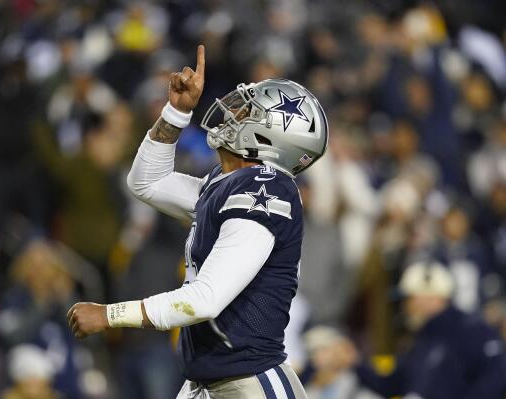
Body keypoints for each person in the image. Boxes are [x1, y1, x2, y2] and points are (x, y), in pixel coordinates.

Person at [67, 45, 329, 398]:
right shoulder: (226, 184)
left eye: (247, 111)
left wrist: (110, 315)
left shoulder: (266, 190)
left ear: (267, 136)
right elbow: (146, 182)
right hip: (208, 384)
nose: (232, 113)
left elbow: (204, 299)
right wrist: (175, 113)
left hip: (250, 385)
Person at [348, 261, 506, 399]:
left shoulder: (474, 330)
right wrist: (355, 363)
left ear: (433, 298)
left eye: (411, 298)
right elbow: (393, 384)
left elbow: (496, 378)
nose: (406, 306)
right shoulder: (423, 337)